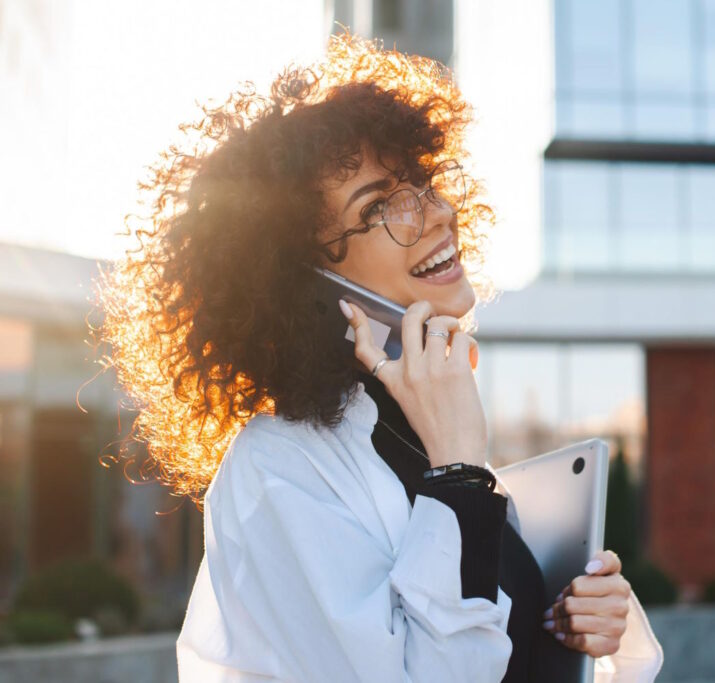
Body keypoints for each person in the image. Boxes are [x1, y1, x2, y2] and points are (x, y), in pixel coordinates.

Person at [96, 31, 663, 682]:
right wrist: (457, 473)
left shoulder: (423, 435)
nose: (435, 214)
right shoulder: (278, 473)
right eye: (380, 206)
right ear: (300, 281)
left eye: (421, 183)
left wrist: (595, 635)